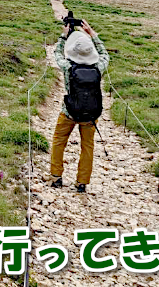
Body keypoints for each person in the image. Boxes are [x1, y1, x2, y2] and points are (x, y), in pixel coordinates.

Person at [50, 20, 109, 193]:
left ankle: (56, 177)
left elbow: (57, 54)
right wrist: (92, 33)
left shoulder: (68, 67)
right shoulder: (99, 67)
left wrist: (63, 35)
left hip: (68, 111)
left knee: (59, 141)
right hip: (91, 114)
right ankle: (82, 182)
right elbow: (105, 54)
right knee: (87, 146)